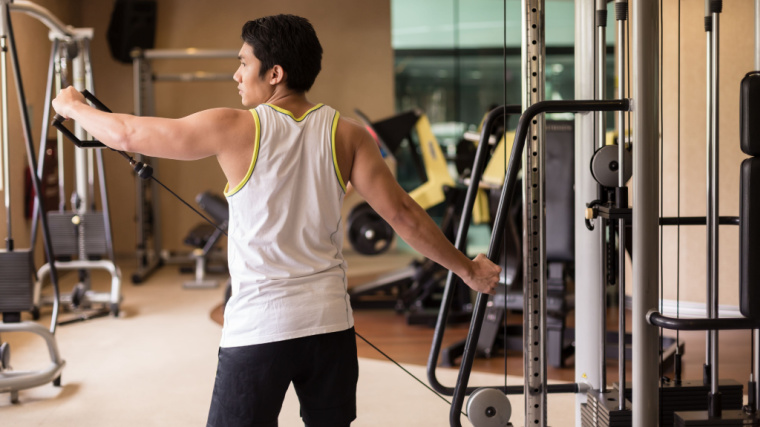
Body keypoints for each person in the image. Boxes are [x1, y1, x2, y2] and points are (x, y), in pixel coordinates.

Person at [52, 14, 501, 427]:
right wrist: (468, 270)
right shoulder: (346, 134)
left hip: (259, 330)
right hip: (330, 328)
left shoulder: (235, 126)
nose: (236, 75)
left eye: (243, 64)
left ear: (275, 73)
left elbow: (128, 134)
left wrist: (74, 107)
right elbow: (403, 215)